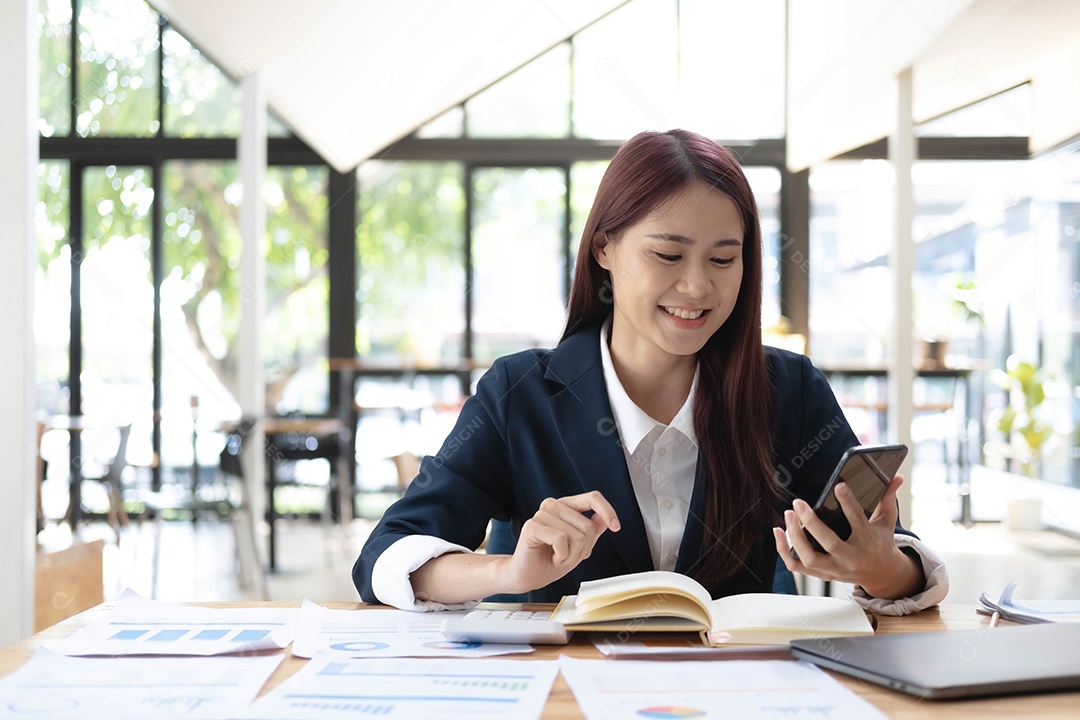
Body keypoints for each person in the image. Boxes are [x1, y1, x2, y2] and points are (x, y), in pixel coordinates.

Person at [352, 129, 948, 615]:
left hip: (743, 696)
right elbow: (389, 555)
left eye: (723, 258)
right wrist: (506, 571)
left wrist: (879, 569)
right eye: (667, 255)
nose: (697, 287)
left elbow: (900, 560)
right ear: (605, 250)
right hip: (566, 699)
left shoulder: (786, 392)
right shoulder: (520, 394)